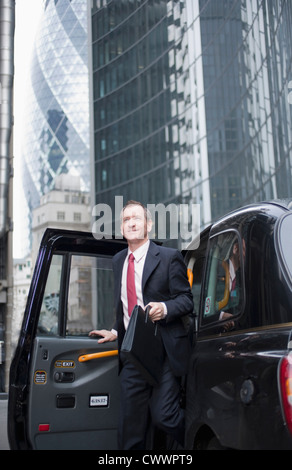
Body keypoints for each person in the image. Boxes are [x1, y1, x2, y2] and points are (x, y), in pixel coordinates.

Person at [89, 200, 194, 450]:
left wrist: (165, 308)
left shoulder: (169, 257)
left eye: (136, 218)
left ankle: (197, 443)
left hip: (166, 351)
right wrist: (116, 330)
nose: (131, 223)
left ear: (149, 224)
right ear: (122, 228)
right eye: (126, 220)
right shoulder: (118, 261)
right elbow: (125, 303)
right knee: (130, 428)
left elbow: (187, 301)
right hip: (134, 354)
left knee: (164, 416)